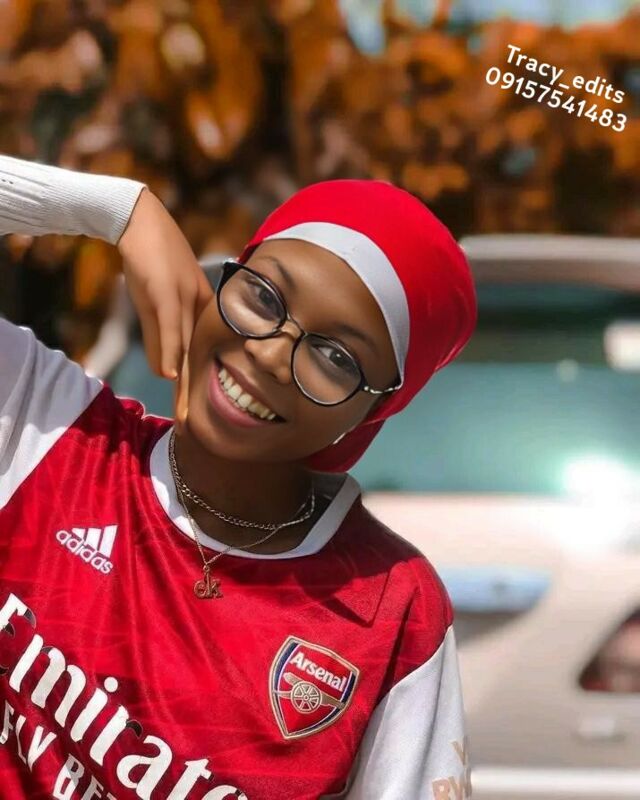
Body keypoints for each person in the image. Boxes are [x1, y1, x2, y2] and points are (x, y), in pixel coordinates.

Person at [0, 153, 476, 800]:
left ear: (371, 414)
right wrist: (117, 211)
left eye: (336, 356)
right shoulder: (53, 426)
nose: (272, 354)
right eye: (263, 296)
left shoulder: (394, 612)